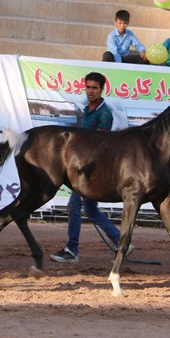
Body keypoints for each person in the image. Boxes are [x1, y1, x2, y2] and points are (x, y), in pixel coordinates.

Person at [50, 71, 132, 263]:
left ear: (102, 89)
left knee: (73, 205)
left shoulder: (104, 114)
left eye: (94, 88)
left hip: (92, 170)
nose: (90, 91)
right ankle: (122, 243)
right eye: (88, 87)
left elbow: (98, 146)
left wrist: (81, 168)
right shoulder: (88, 109)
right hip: (83, 166)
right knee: (91, 210)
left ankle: (72, 250)